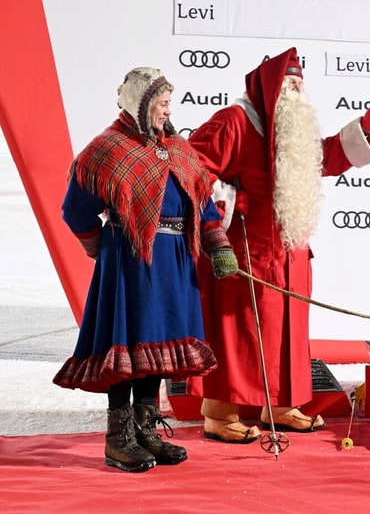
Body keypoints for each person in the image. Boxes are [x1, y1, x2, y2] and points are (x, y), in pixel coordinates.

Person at [186, 47, 370, 442]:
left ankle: (280, 406)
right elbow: (190, 170)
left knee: (287, 332)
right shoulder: (234, 121)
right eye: (290, 86)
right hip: (244, 251)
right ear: (269, 89)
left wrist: (364, 128)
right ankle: (218, 414)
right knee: (236, 334)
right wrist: (231, 196)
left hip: (288, 253)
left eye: (301, 86)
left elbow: (325, 159)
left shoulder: (291, 130)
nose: (298, 95)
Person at [53, 67, 239, 472]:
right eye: (160, 102)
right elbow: (75, 210)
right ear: (139, 104)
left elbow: (203, 204)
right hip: (130, 261)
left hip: (174, 262)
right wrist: (100, 247)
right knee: (130, 342)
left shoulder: (178, 148)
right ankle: (118, 438)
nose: (167, 110)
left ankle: (145, 429)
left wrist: (218, 247)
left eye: (169, 102)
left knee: (156, 347)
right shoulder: (107, 149)